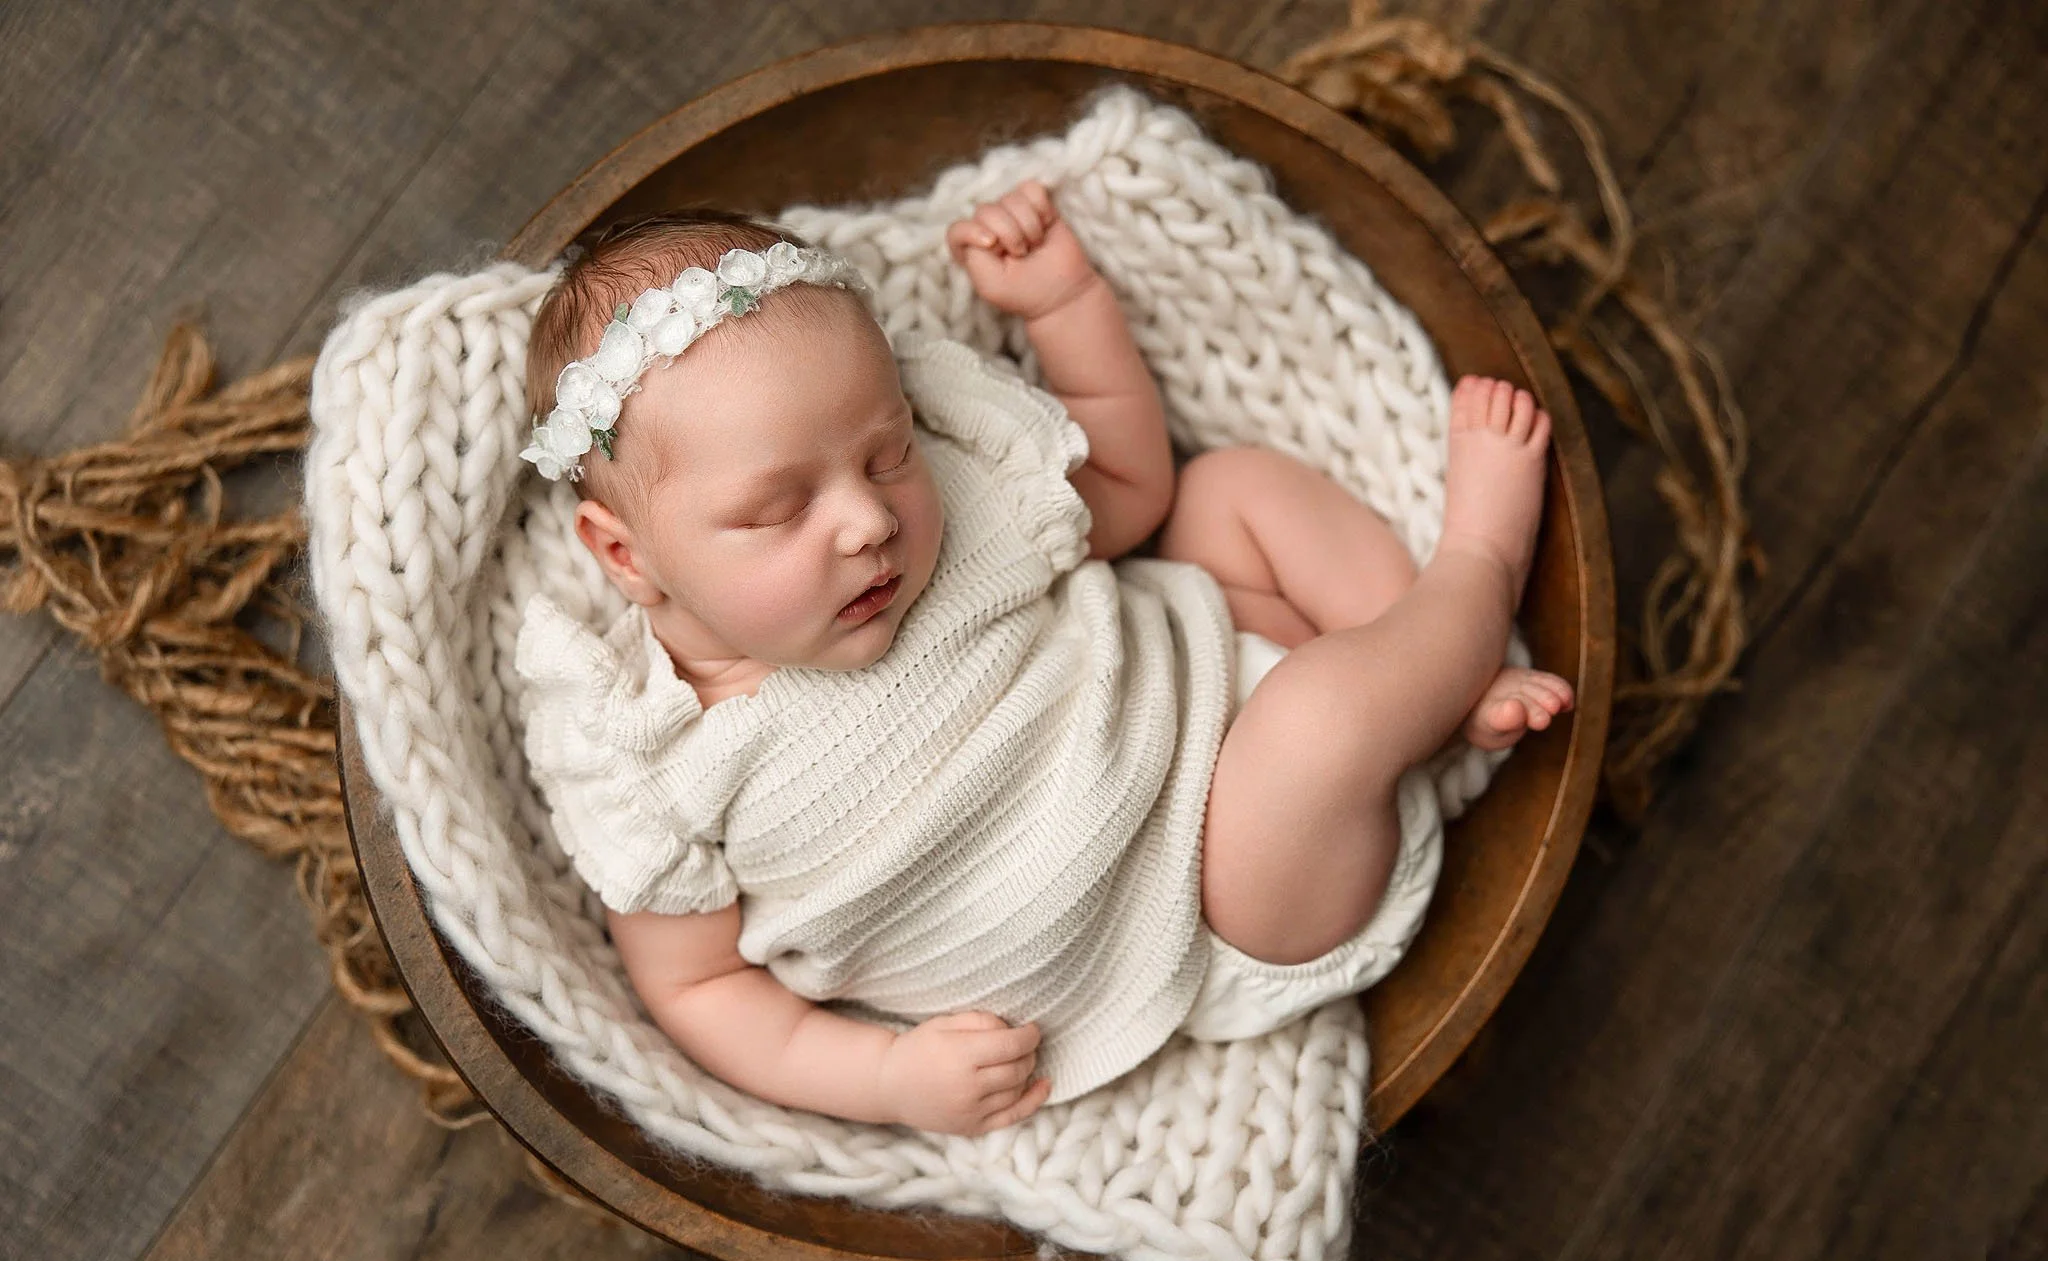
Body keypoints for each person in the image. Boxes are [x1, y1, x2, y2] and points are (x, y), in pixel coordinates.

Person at [511, 183, 1572, 1137]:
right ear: (625, 556)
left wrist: (1065, 311)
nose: (867, 522)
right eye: (779, 508)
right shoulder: (641, 758)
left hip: (1228, 673)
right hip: (1230, 909)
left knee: (1229, 494)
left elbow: (1131, 487)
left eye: (888, 454)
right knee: (1312, 728)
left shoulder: (963, 508)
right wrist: (883, 1076)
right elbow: (699, 993)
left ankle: (1442, 639)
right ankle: (1463, 593)